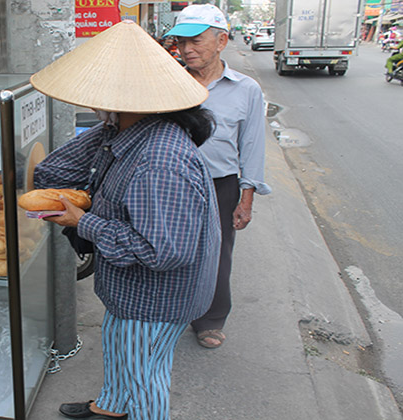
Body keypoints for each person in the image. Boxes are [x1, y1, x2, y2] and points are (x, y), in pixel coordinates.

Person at [29, 20, 221, 420]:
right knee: (120, 347)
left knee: (144, 376)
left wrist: (83, 221)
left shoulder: (160, 160)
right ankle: (111, 407)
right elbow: (51, 173)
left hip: (156, 298)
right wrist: (105, 129)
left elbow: (162, 252)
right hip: (133, 290)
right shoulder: (123, 129)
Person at [165, 4, 271, 349]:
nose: (186, 50)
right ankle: (169, 310)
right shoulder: (169, 81)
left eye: (195, 41)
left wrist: (247, 196)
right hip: (170, 182)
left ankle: (210, 319)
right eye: (181, 43)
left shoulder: (246, 90)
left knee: (217, 252)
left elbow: (252, 145)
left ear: (221, 40)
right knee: (167, 248)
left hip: (219, 184)